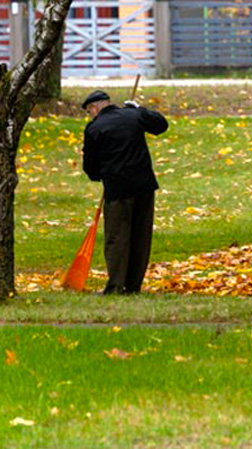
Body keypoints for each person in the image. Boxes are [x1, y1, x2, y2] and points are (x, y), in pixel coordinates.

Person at [81, 90, 168, 295]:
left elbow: (90, 165)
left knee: (117, 238)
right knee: (140, 236)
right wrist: (140, 110)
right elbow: (161, 125)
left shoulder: (94, 128)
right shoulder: (133, 116)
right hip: (145, 186)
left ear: (94, 107)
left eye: (88, 112)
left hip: (118, 189)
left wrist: (98, 176)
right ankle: (133, 285)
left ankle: (115, 286)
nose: (89, 115)